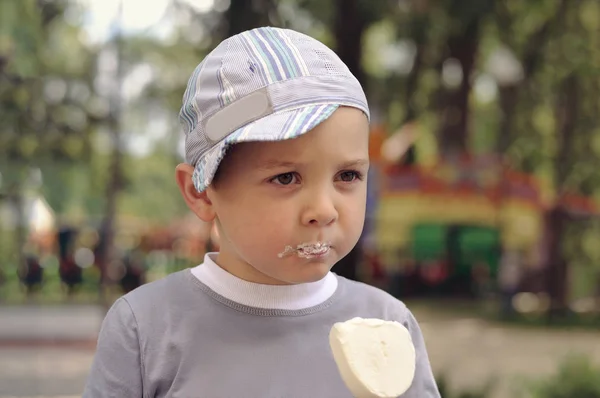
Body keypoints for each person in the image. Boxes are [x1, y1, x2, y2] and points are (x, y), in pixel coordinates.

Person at [83, 27, 440, 397]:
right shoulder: (146, 329)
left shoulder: (386, 325)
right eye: (286, 178)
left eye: (347, 175)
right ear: (201, 192)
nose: (323, 210)